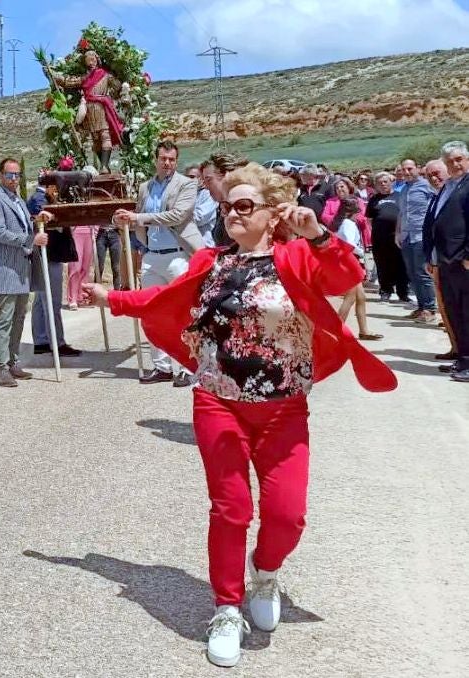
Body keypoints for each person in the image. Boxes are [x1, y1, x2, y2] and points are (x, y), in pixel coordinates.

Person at [83, 163, 396, 668]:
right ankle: (227, 606)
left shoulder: (296, 255)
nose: (231, 213)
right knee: (230, 509)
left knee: (287, 515)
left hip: (283, 408)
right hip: (218, 401)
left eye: (244, 205)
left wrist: (317, 236)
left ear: (273, 214)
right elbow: (163, 299)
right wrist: (112, 299)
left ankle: (265, 571)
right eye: (227, 206)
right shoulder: (211, 260)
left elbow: (346, 277)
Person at [114, 140, 205, 387]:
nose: (167, 163)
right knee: (152, 312)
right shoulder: (145, 187)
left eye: (172, 159)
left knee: (184, 313)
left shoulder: (187, 184)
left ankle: (187, 366)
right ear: (156, 160)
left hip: (178, 255)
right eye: (163, 159)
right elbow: (138, 219)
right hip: (151, 255)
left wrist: (139, 217)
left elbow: (178, 215)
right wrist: (124, 219)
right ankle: (162, 366)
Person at [0, 157, 53, 387]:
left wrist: (37, 221)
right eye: (10, 175)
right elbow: (0, 233)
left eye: (17, 175)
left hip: (21, 268)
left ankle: (12, 361)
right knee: (4, 319)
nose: (14, 179)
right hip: (4, 269)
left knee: (19, 317)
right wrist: (32, 239)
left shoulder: (18, 200)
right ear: (0, 176)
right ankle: (1, 366)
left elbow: (23, 225)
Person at [423, 141, 469, 383]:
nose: (455, 164)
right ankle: (463, 358)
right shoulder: (449, 186)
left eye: (459, 159)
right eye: (450, 161)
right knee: (455, 312)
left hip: (463, 261)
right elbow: (433, 222)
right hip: (447, 260)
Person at [46, 49, 127, 172]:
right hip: (89, 111)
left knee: (105, 135)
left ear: (97, 60)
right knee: (96, 140)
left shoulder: (105, 75)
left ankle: (104, 166)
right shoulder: (85, 78)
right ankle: (104, 166)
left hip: (102, 109)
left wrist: (118, 93)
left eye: (93, 59)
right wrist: (52, 74)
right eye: (88, 60)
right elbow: (67, 82)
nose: (91, 62)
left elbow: (117, 86)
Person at [26, 181, 81, 356]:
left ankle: (42, 340)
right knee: (52, 300)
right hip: (47, 254)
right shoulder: (39, 199)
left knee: (41, 301)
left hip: (47, 254)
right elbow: (42, 223)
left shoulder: (40, 197)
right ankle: (57, 342)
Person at [424, 158, 459, 360]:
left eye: (437, 173)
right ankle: (456, 348)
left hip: (455, 260)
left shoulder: (458, 193)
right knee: (447, 308)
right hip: (439, 261)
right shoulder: (438, 196)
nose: (434, 178)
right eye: (429, 175)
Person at [334, 198, 382, 341]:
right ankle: (336, 329)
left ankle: (363, 330)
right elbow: (349, 244)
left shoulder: (343, 223)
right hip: (350, 261)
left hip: (348, 260)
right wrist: (362, 252)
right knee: (351, 297)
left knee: (360, 297)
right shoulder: (348, 224)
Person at [396, 159, 438, 323]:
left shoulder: (426, 186)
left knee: (422, 273)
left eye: (410, 169)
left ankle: (430, 308)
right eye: (403, 169)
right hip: (406, 236)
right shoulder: (403, 190)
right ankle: (421, 307)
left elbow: (435, 208)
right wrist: (397, 233)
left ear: (417, 169)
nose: (406, 172)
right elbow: (401, 213)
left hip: (421, 235)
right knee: (412, 273)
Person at [366, 171, 410, 302]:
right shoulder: (374, 199)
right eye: (380, 183)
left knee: (401, 265)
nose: (383, 184)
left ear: (392, 182)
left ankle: (403, 293)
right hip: (380, 238)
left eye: (385, 182)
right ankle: (385, 290)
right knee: (382, 265)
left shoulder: (400, 196)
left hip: (399, 237)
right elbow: (369, 219)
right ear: (376, 186)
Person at [201, 153, 250, 247]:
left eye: (209, 180)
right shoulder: (221, 208)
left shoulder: (246, 206)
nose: (206, 187)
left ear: (226, 177)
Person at [321, 177, 370, 247]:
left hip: (354, 235)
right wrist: (341, 218)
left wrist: (347, 220)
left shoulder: (358, 200)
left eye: (342, 186)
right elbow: (324, 216)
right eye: (337, 188)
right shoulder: (330, 201)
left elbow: (363, 217)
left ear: (349, 187)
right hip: (336, 234)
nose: (339, 189)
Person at [67, 225, 95, 310]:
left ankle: (81, 297)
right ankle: (73, 299)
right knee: (75, 267)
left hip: (90, 232)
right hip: (75, 231)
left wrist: (95, 230)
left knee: (85, 267)